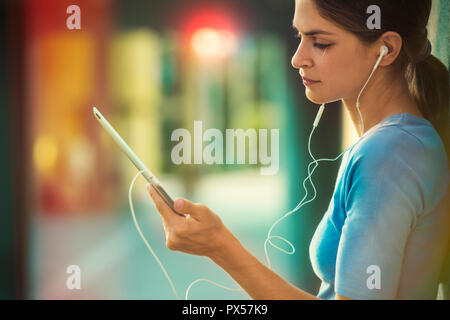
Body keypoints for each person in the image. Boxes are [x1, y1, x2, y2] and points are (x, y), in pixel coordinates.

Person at [147, 0, 450, 300]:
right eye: (299, 37)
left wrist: (220, 246)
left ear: (387, 49)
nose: (297, 58)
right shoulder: (391, 145)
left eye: (320, 43)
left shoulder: (389, 153)